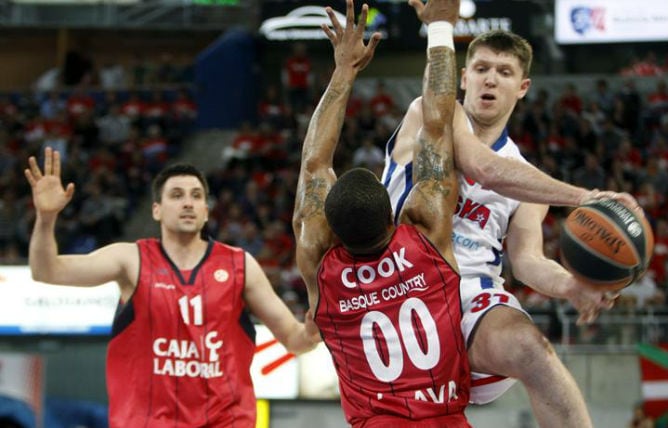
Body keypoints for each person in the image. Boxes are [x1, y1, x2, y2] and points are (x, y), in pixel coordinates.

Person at [382, 27, 641, 428]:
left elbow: (527, 262)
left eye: (504, 72)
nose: (490, 78)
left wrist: (573, 286)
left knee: (532, 349)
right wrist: (583, 197)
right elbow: (483, 168)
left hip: (468, 295)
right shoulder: (430, 111)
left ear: (522, 88)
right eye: (482, 68)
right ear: (464, 77)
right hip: (395, 285)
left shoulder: (528, 180)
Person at [24, 147, 319, 428]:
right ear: (156, 210)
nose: (187, 203)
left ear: (206, 210)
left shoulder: (239, 265)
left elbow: (294, 340)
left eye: (196, 196)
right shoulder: (131, 259)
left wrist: (311, 332)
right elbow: (47, 270)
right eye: (176, 195)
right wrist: (46, 218)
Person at [293, 0, 470, 426]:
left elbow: (314, 163)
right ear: (394, 215)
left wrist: (344, 71)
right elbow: (435, 123)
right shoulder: (425, 230)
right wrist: (441, 28)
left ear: (329, 229)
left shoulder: (319, 261)